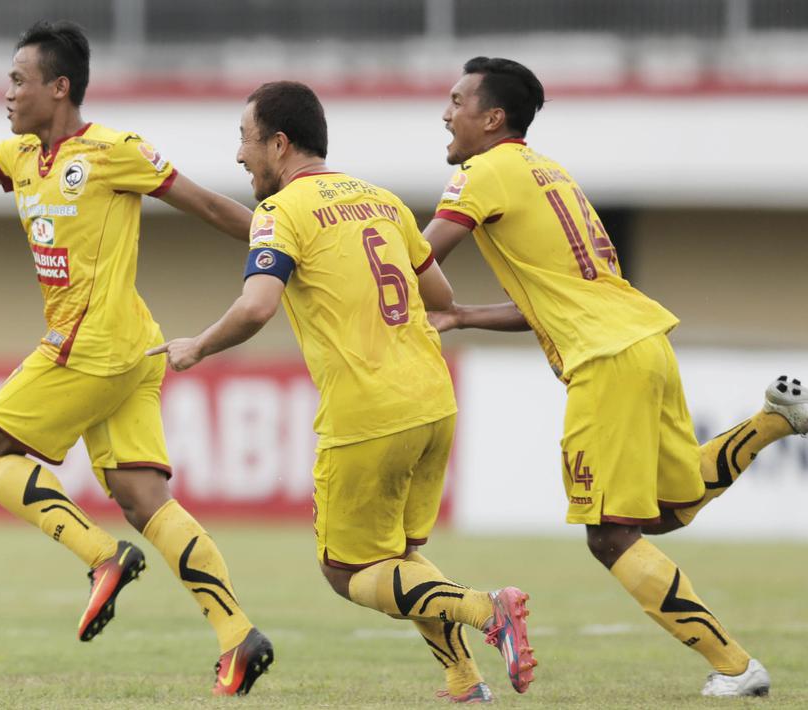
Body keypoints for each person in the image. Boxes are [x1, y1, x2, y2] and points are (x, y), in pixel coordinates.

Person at [0, 21, 273, 695]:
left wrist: (283, 244)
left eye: (17, 80)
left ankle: (101, 556)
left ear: (59, 87)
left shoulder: (115, 150)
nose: (7, 92)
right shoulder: (22, 155)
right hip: (133, 347)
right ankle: (238, 636)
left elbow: (204, 203)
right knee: (143, 498)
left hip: (92, 347)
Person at [424, 56, 807, 698]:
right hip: (643, 340)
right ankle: (773, 422)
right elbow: (555, 298)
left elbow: (417, 253)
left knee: (610, 537)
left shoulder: (481, 173)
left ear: (492, 118)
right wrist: (461, 314)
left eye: (458, 101)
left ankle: (736, 667)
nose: (446, 113)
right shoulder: (549, 171)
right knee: (668, 510)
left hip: (604, 360)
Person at [149, 80, 537, 702]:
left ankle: (486, 608)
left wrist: (197, 346)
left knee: (345, 570)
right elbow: (440, 296)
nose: (240, 155)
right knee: (398, 556)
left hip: (367, 413)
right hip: (434, 399)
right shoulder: (382, 200)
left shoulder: (280, 212)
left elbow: (256, 307)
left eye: (245, 141)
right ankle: (464, 679)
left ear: (279, 144)